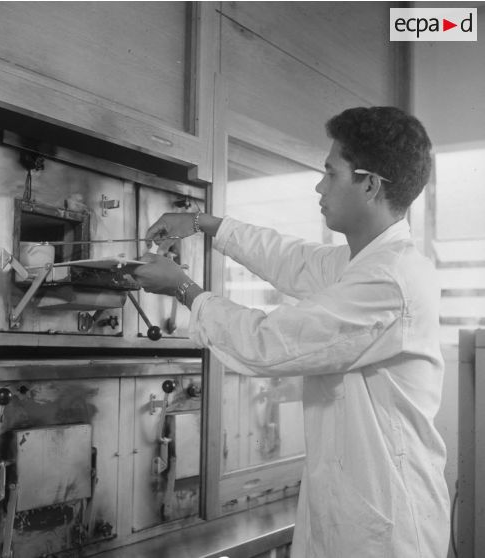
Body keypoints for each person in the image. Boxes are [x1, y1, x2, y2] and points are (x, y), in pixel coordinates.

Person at [132, 106, 450, 558]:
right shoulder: (362, 265)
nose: (320, 186)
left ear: (371, 183)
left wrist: (183, 288)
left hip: (386, 528)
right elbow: (293, 260)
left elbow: (270, 344)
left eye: (330, 172)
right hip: (348, 512)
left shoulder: (390, 280)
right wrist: (205, 224)